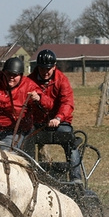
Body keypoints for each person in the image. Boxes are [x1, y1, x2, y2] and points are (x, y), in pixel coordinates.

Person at [26, 49, 83, 182]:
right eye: (42, 69)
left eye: (49, 69)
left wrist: (58, 118)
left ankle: (76, 179)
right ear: (37, 67)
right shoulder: (29, 81)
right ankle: (29, 177)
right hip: (37, 123)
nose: (46, 72)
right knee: (24, 142)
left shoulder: (62, 80)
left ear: (54, 66)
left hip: (60, 122)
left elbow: (67, 103)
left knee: (71, 143)